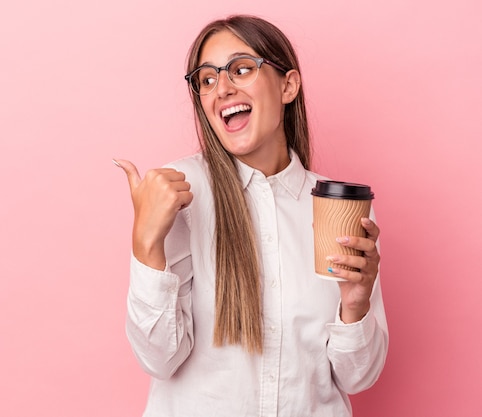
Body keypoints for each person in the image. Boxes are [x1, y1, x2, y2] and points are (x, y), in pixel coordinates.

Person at [114, 14, 388, 417]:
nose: (222, 88)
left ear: (288, 85)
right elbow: (159, 358)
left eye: (241, 69)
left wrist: (357, 304)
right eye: (207, 79)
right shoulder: (179, 193)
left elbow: (356, 378)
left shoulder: (337, 206)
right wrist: (145, 243)